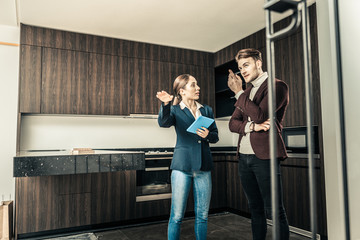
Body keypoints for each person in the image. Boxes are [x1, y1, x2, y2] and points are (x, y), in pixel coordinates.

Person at [228, 48, 290, 240]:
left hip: (266, 156)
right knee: (255, 208)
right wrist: (253, 127)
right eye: (240, 67)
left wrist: (238, 93)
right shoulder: (247, 92)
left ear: (258, 63)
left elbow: (261, 115)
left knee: (274, 210)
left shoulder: (277, 87)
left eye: (246, 65)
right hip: (244, 158)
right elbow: (233, 123)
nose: (243, 71)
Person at [156, 74, 219, 240]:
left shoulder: (207, 110)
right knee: (176, 216)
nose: (198, 88)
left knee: (203, 215)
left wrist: (207, 135)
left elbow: (215, 136)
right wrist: (166, 104)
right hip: (182, 167)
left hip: (203, 167)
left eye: (197, 85)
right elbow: (163, 122)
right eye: (193, 85)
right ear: (182, 91)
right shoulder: (175, 110)